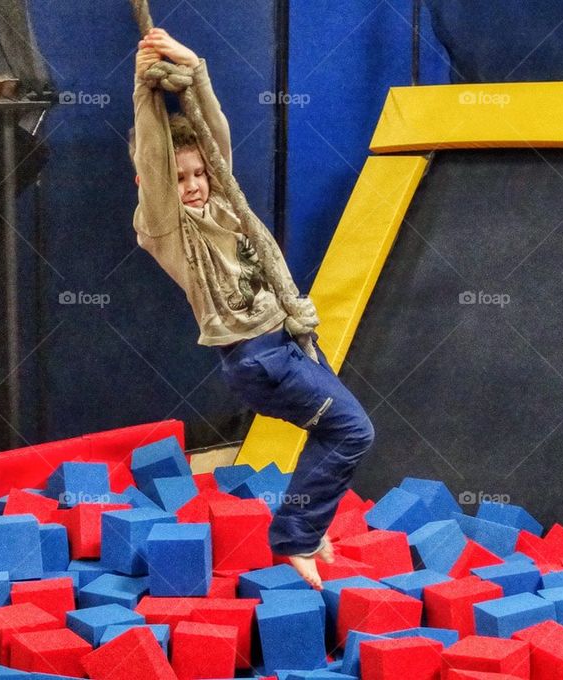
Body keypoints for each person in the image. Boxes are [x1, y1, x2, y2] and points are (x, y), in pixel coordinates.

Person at [130, 27, 375, 589]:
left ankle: (305, 525)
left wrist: (197, 70)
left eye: (199, 175)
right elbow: (154, 156)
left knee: (339, 432)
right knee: (353, 432)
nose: (193, 186)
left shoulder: (225, 207)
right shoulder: (168, 228)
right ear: (154, 185)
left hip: (286, 343)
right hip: (257, 358)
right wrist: (145, 92)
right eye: (181, 177)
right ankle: (296, 535)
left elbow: (215, 141)